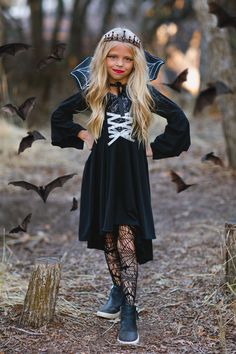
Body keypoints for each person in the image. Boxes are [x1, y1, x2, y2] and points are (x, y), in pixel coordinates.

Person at [51, 27, 190, 345]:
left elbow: (180, 122)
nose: (119, 62)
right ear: (102, 58)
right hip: (100, 172)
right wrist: (82, 135)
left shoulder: (144, 94)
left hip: (130, 174)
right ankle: (119, 289)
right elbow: (60, 116)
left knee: (127, 234)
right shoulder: (94, 92)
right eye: (112, 56)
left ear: (136, 62)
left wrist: (155, 147)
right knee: (109, 235)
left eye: (126, 58)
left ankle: (129, 309)